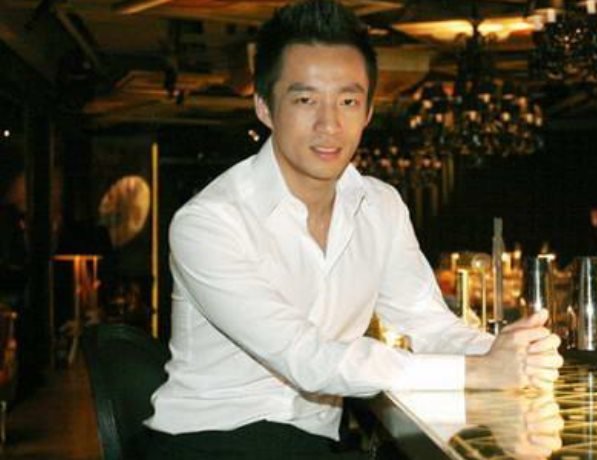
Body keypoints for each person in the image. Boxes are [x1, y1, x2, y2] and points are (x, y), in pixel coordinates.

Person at [145, 1, 563, 458]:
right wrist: (478, 372)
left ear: (367, 112)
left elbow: (426, 322)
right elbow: (307, 359)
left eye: (348, 101)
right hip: (210, 441)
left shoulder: (380, 207)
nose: (329, 125)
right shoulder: (208, 222)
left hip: (314, 444)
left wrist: (505, 353)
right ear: (264, 107)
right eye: (305, 100)